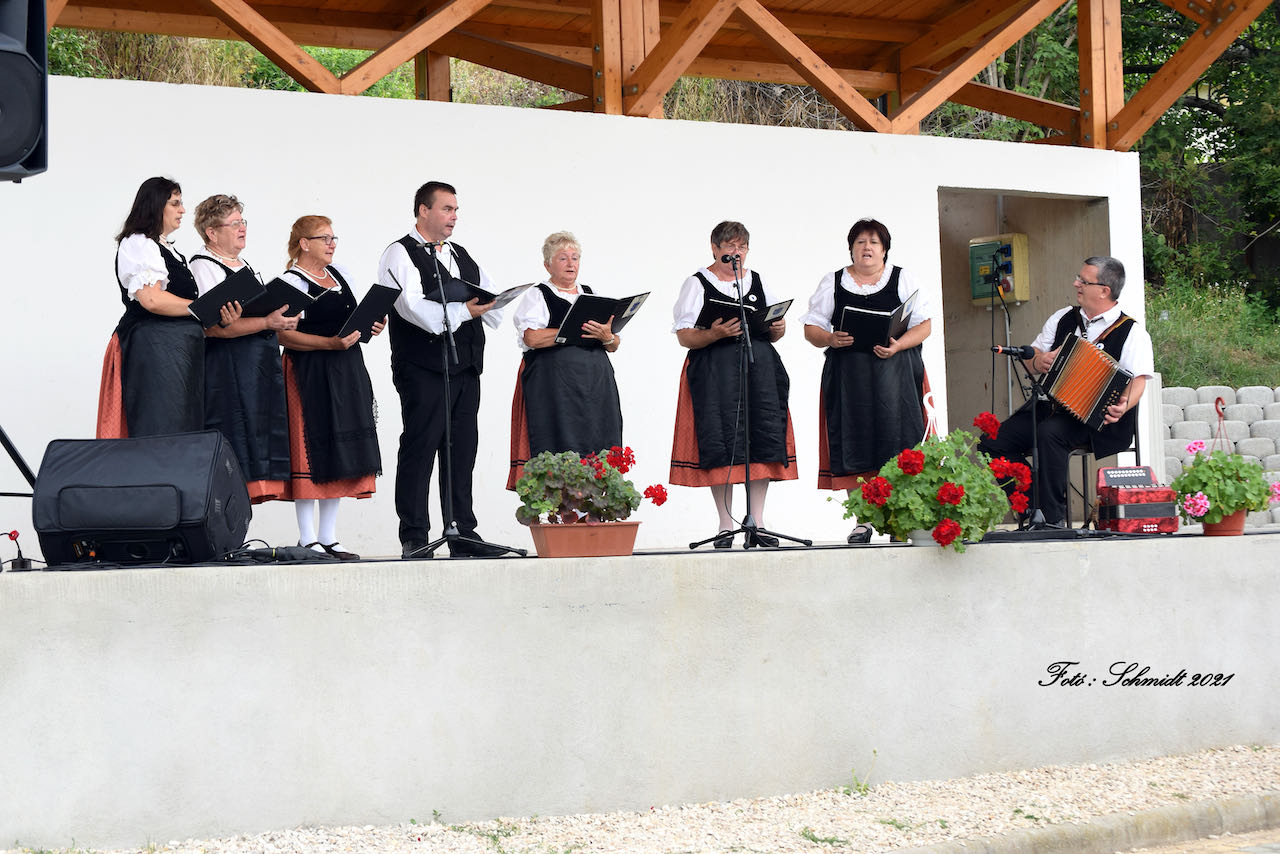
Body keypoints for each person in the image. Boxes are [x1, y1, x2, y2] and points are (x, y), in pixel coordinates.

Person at [976, 256, 1154, 527]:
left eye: (1083, 281)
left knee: (1050, 433)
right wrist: (1039, 361)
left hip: (1098, 419)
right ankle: (1031, 507)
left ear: (1104, 290)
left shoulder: (1132, 332)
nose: (1076, 284)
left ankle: (1052, 519)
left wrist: (1123, 405)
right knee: (992, 441)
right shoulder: (1062, 318)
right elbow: (1032, 356)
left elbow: (1138, 381)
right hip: (1051, 407)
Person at [378, 181, 505, 559]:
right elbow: (413, 308)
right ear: (424, 210)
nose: (454, 217)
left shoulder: (459, 253)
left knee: (461, 450)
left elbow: (489, 294)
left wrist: (494, 302)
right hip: (423, 367)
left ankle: (462, 531)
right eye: (447, 209)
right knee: (420, 448)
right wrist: (465, 310)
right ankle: (415, 535)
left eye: (456, 210)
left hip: (464, 366)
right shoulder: (399, 253)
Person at [802, 218, 934, 544]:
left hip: (896, 375)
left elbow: (924, 325)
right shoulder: (833, 282)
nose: (867, 248)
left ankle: (900, 520)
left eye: (874, 242)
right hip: (850, 378)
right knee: (854, 440)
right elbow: (811, 328)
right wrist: (830, 338)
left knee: (898, 440)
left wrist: (899, 345)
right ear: (851, 249)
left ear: (884, 249)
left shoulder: (903, 279)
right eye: (860, 242)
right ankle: (863, 521)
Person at [669, 221, 795, 548]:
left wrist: (778, 328)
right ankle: (726, 524)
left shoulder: (757, 280)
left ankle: (759, 522)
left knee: (761, 437)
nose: (735, 252)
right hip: (715, 372)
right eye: (729, 246)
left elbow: (775, 330)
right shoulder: (697, 283)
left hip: (758, 370)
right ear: (715, 248)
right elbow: (685, 336)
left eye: (741, 246)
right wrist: (714, 334)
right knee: (720, 439)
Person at [97, 176, 239, 439]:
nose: (182, 210)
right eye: (175, 203)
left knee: (182, 428)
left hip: (179, 352)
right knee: (160, 427)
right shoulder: (139, 242)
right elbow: (152, 299)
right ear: (155, 205)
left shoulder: (168, 250)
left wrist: (219, 315)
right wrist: (202, 307)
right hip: (154, 350)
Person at [275, 216, 382, 561]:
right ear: (304, 243)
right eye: (324, 238)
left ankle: (329, 536)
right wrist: (329, 343)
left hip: (345, 368)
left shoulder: (340, 275)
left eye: (334, 238)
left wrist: (370, 324)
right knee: (309, 447)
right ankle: (307, 537)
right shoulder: (292, 282)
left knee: (339, 446)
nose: (332, 244)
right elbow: (283, 336)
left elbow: (348, 322)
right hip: (309, 369)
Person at [190, 194, 297, 504]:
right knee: (235, 442)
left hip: (257, 368)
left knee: (258, 440)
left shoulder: (242, 264)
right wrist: (266, 321)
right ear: (212, 232)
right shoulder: (203, 266)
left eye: (243, 221)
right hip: (229, 371)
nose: (242, 228)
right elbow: (212, 327)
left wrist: (280, 320)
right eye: (234, 223)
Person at [506, 231, 623, 489]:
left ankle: (594, 504)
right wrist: (571, 330)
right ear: (548, 265)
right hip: (555, 389)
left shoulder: (591, 294)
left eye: (575, 258)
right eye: (562, 258)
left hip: (595, 387)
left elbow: (614, 344)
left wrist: (606, 336)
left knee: (598, 442)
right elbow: (532, 338)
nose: (571, 263)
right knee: (558, 442)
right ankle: (560, 505)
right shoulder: (538, 295)